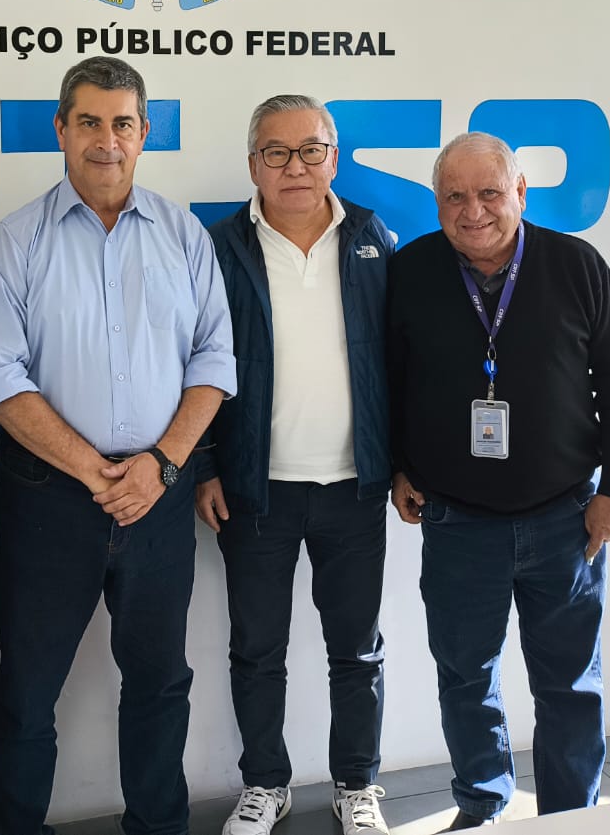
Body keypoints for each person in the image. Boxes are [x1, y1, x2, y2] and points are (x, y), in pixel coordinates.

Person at [0, 55, 236, 835]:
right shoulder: (17, 240)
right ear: (61, 128)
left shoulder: (182, 234)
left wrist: (160, 466)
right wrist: (100, 473)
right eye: (89, 121)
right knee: (26, 693)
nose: (106, 140)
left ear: (144, 132)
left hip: (159, 499)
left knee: (161, 683)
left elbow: (214, 360)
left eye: (122, 123)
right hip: (49, 501)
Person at [386, 132, 610, 831]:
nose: (472, 210)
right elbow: (390, 381)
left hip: (566, 520)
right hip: (456, 523)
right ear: (436, 202)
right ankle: (482, 805)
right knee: (466, 678)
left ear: (521, 194)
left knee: (569, 685)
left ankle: (571, 819)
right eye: (454, 196)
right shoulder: (411, 270)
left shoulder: (576, 265)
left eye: (489, 193)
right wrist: (398, 464)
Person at [198, 95, 394, 835]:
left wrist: (402, 464)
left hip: (354, 486)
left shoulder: (373, 238)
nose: (295, 167)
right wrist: (206, 465)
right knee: (257, 649)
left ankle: (358, 785)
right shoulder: (220, 247)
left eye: (311, 150)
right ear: (253, 164)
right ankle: (264, 784)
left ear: (332, 159)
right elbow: (194, 362)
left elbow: (399, 361)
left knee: (357, 650)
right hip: (256, 490)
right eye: (276, 152)